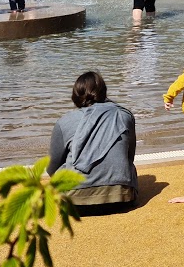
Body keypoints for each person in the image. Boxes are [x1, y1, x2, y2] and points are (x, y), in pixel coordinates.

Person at [48, 71, 138, 211]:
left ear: (75, 94)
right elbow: (129, 156)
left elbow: (52, 167)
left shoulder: (64, 121)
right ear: (104, 92)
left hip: (75, 202)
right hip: (121, 198)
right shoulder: (124, 115)